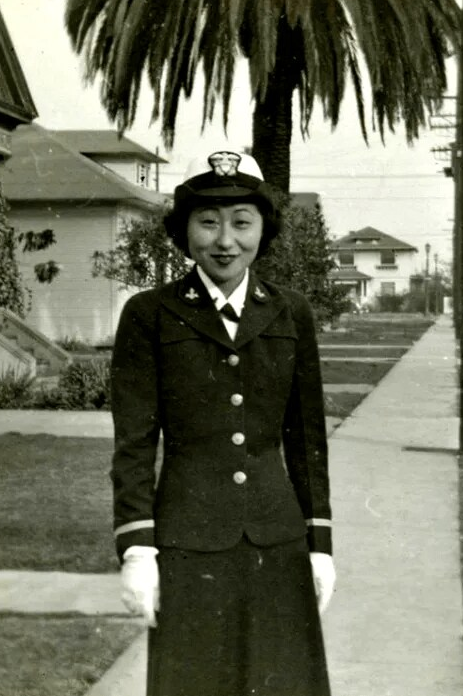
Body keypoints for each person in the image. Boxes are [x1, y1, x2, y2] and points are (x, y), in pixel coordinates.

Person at [110, 150, 335, 696]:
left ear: (264, 228)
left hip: (276, 542)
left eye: (242, 222)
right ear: (185, 230)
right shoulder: (148, 314)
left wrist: (320, 544)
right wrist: (138, 549)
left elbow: (306, 440)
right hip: (187, 543)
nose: (225, 240)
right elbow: (135, 443)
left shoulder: (290, 312)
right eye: (208, 222)